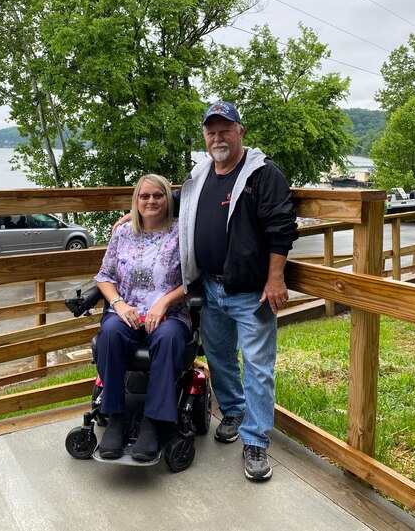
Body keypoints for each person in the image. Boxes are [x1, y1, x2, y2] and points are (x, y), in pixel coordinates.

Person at [179, 100, 299, 481]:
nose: (218, 137)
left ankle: (256, 442)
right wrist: (135, 213)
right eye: (211, 131)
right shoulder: (199, 175)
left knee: (258, 370)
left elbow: (282, 227)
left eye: (225, 130)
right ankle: (233, 411)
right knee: (220, 360)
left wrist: (275, 278)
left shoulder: (262, 174)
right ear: (204, 136)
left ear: (240, 132)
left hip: (251, 293)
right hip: (210, 289)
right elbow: (178, 210)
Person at [94, 173, 190, 462]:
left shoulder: (181, 234)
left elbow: (194, 281)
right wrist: (119, 304)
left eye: (158, 195)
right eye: (144, 196)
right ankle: (116, 418)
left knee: (169, 337)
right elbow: (104, 277)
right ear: (136, 201)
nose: (151, 201)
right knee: (109, 333)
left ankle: (153, 422)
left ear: (168, 199)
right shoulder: (123, 233)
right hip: (127, 312)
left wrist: (164, 301)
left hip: (169, 313)